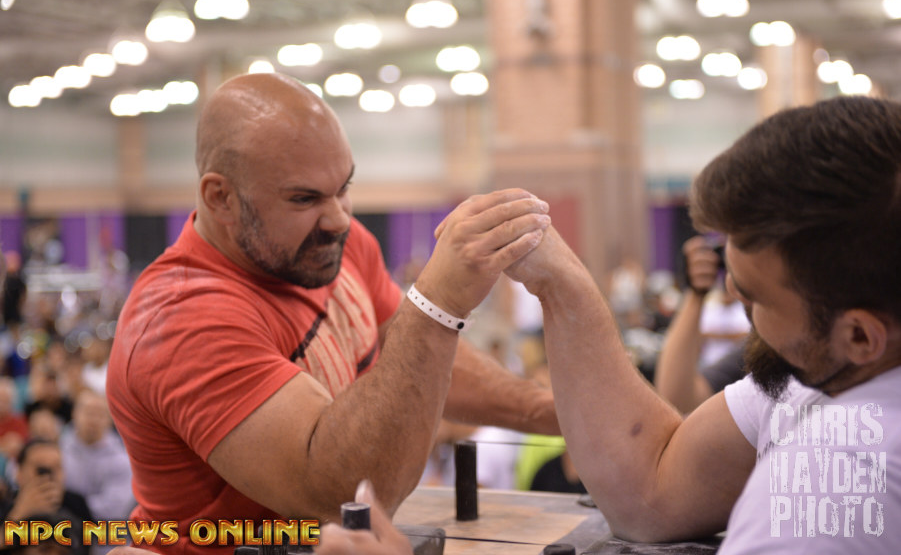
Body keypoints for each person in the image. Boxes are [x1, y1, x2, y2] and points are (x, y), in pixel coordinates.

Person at [106, 72, 558, 553]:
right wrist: (437, 302)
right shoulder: (183, 318)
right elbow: (339, 498)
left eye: (343, 188)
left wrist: (551, 413)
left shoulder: (324, 246)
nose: (339, 218)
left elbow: (421, 365)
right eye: (304, 198)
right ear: (221, 198)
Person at [506, 95, 901, 553]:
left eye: (754, 295)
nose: (731, 291)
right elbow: (652, 495)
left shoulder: (843, 470)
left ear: (859, 335)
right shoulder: (822, 375)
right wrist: (563, 284)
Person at [654, 235, 746, 413]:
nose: (730, 284)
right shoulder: (754, 352)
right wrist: (696, 293)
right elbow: (676, 399)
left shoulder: (741, 312)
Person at [0, 438, 92, 555]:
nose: (49, 477)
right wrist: (18, 515)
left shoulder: (76, 504)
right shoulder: (3, 503)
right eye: (41, 469)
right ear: (19, 472)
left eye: (56, 468)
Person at [59, 389, 133, 521]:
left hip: (103, 529)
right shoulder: (57, 450)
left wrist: (71, 504)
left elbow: (115, 509)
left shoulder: (123, 461)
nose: (93, 420)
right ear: (74, 413)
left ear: (110, 420)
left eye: (100, 414)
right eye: (88, 412)